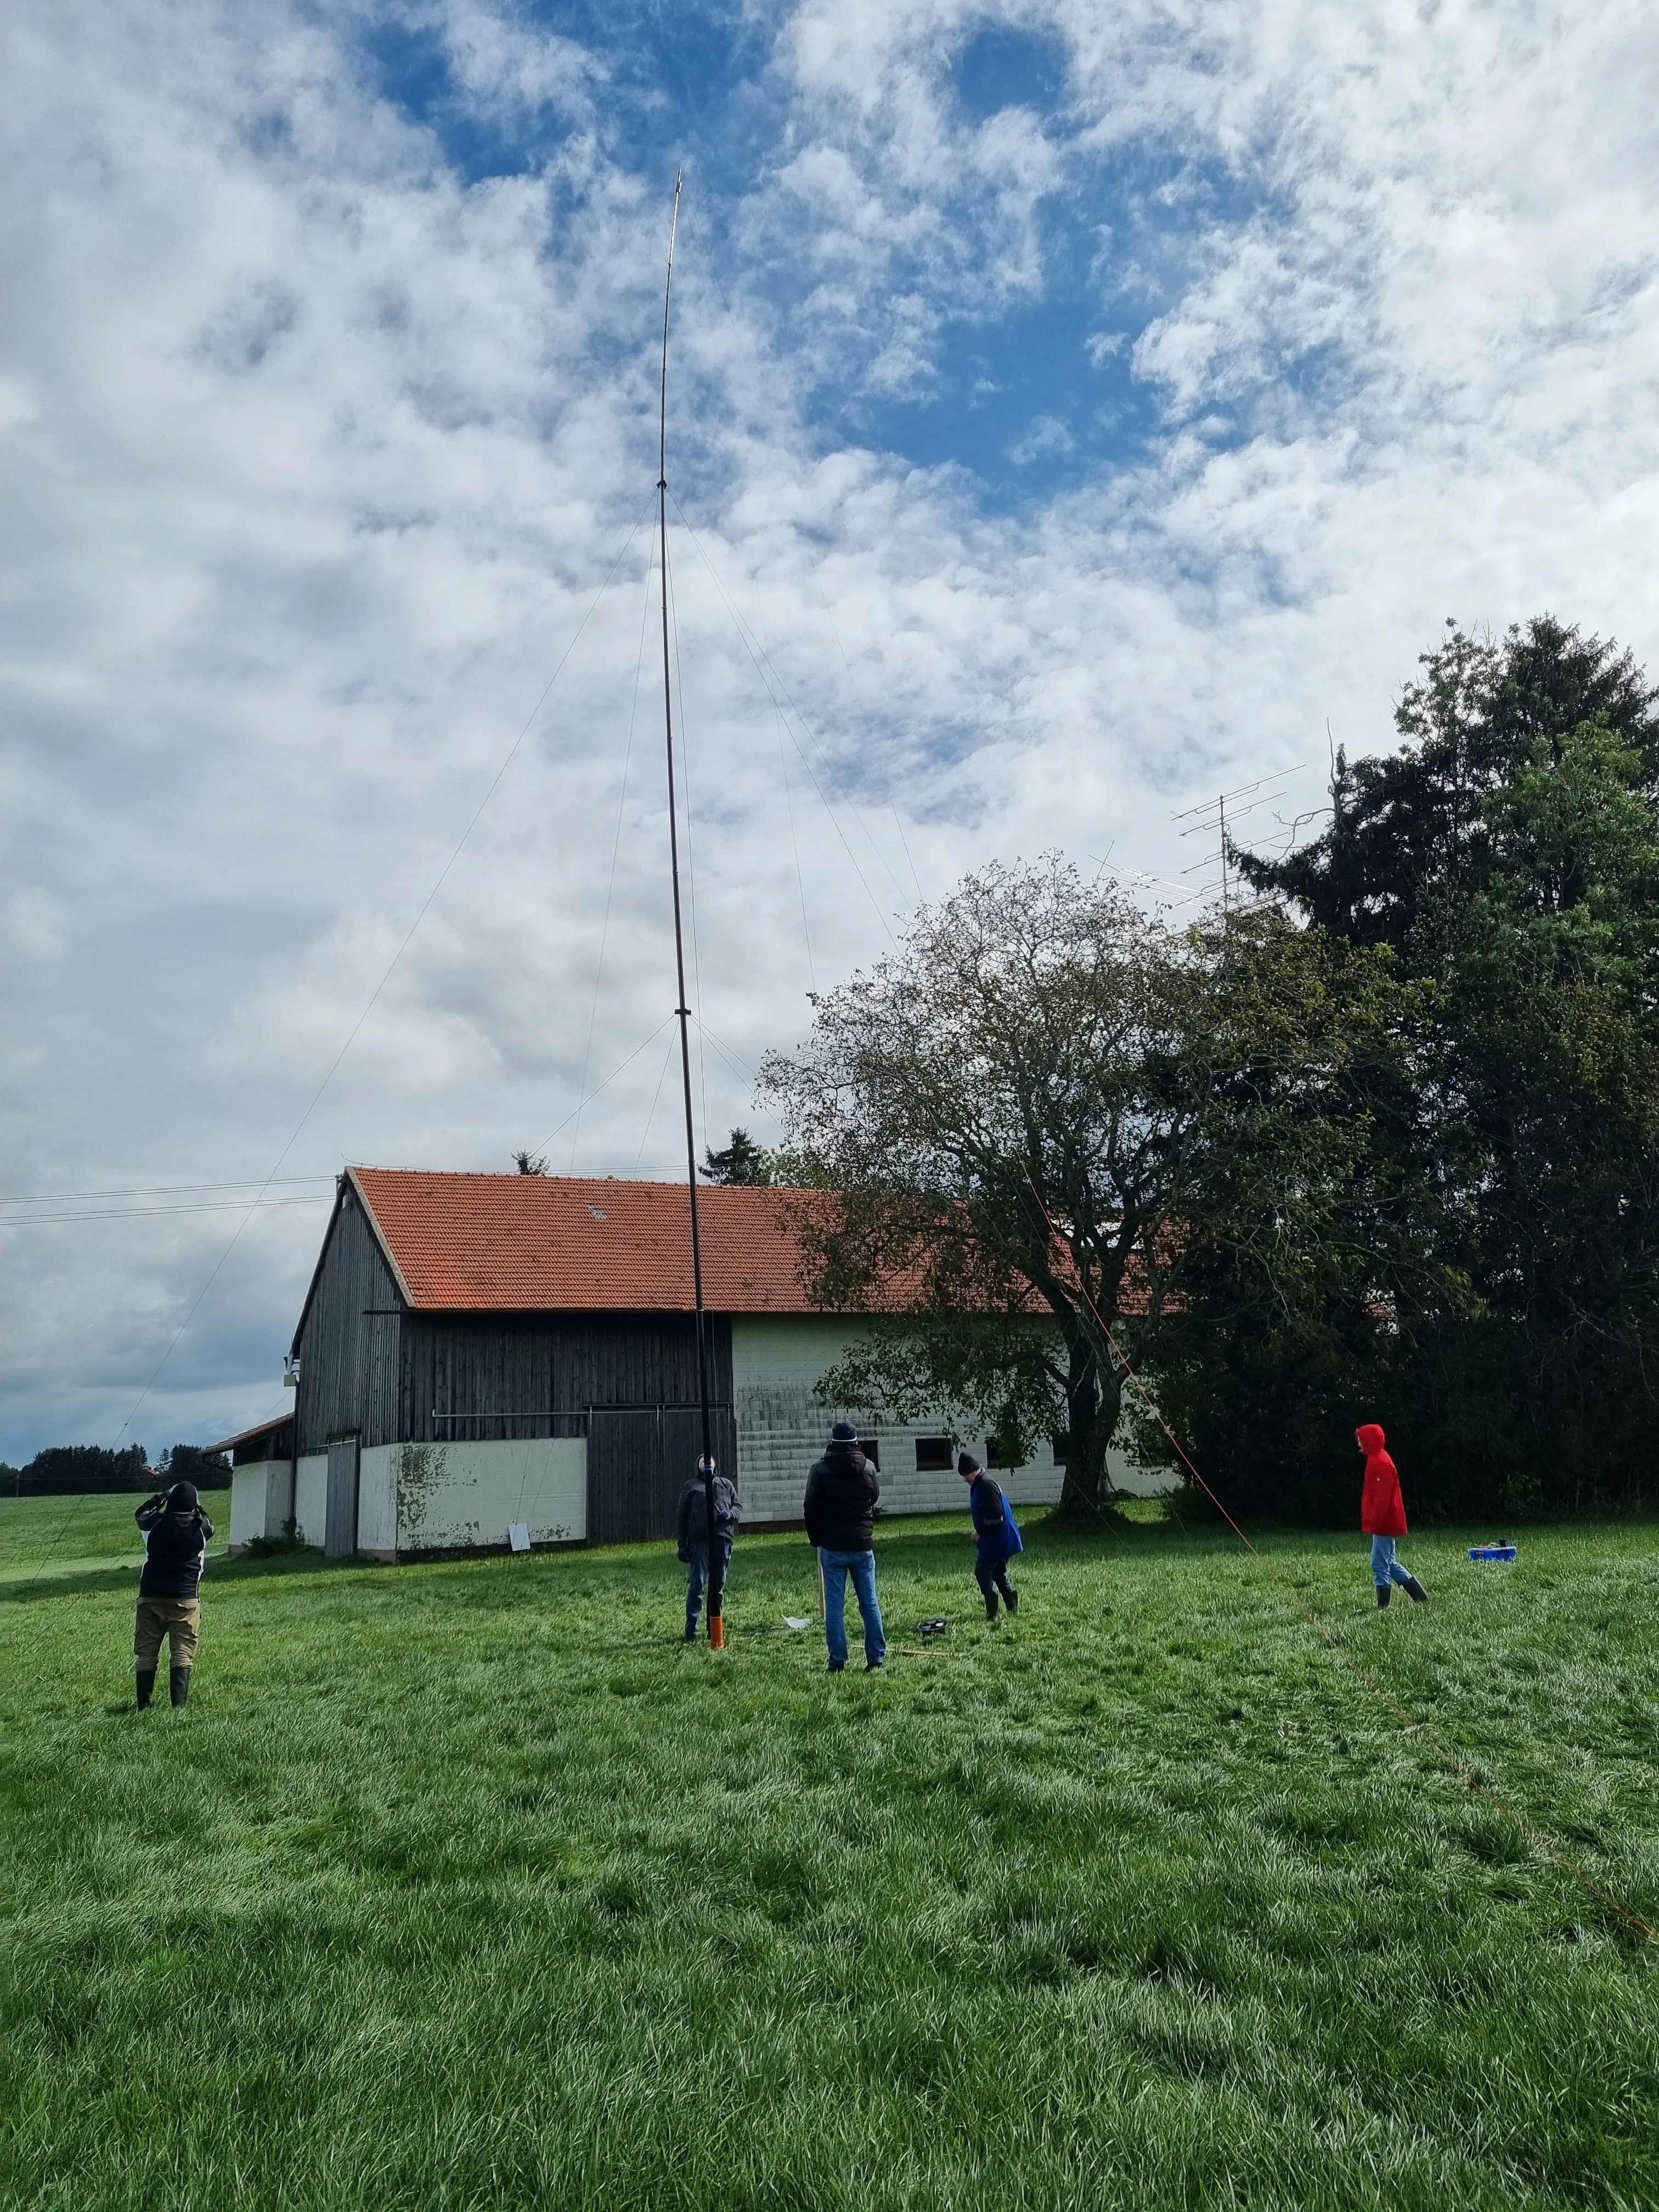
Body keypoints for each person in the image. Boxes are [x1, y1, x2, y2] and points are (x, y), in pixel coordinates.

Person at [803, 1420, 887, 1673]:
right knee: (869, 1603)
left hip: (832, 1546)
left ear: (832, 1441)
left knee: (835, 1608)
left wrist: (816, 1538)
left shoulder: (820, 1470)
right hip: (862, 1545)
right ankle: (876, 1658)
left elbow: (810, 1507)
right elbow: (875, 1497)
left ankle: (837, 1662)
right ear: (856, 1441)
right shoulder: (869, 1467)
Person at [133, 1479, 215, 1707]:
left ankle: (144, 1706)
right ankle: (178, 1707)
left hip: (151, 1595)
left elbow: (141, 1513)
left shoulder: (153, 1524)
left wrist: (162, 1496)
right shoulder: (201, 1528)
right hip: (186, 1598)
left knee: (147, 1654)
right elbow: (208, 1520)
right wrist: (197, 1506)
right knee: (182, 1654)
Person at [1357, 1423, 1427, 1609]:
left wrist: (1374, 1522)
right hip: (1384, 1521)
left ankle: (1383, 1607)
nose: (1359, 1444)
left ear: (1370, 1442)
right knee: (1390, 1562)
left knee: (1379, 1563)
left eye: (1361, 1440)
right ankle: (1421, 1599)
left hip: (1385, 1522)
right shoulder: (1376, 1459)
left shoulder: (1380, 1462)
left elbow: (1382, 1498)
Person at [676, 1454, 740, 1643]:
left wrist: (729, 1514)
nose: (707, 1466)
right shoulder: (691, 1487)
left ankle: (715, 1630)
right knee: (697, 1586)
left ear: (715, 1466)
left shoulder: (726, 1484)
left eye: (709, 1463)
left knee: (718, 1587)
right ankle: (692, 1632)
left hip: (723, 1539)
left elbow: (738, 1506)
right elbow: (682, 1516)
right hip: (700, 1542)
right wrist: (682, 1544)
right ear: (698, 1466)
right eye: (703, 1463)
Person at [958, 1451, 1022, 1620]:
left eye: (966, 1475)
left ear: (975, 1470)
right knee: (999, 1573)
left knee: (982, 1572)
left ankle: (992, 1613)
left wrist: (981, 1532)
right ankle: (1012, 1607)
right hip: (1000, 1538)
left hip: (997, 1539)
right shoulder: (981, 1483)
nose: (965, 1479)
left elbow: (996, 1516)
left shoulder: (986, 1485)